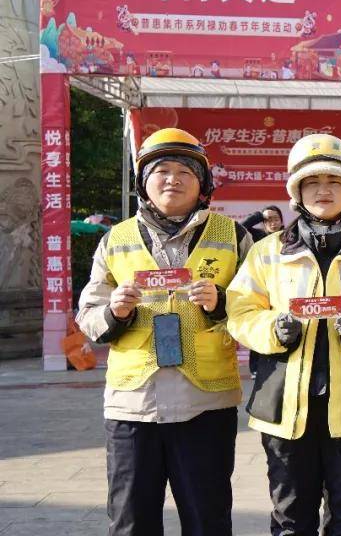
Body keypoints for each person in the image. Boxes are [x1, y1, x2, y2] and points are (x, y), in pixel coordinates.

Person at [76, 127, 253, 536]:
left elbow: (258, 309)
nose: (173, 179)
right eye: (162, 171)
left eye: (185, 172)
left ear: (202, 184)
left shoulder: (234, 236)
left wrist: (221, 302)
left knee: (208, 520)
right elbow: (88, 314)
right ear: (143, 182)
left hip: (206, 403)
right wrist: (115, 312)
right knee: (130, 521)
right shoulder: (115, 239)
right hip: (132, 406)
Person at [227, 134, 341, 536]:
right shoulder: (268, 252)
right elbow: (240, 310)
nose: (324, 190)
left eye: (335, 181)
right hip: (286, 408)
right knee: (291, 515)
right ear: (297, 192)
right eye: (313, 182)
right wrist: (273, 328)